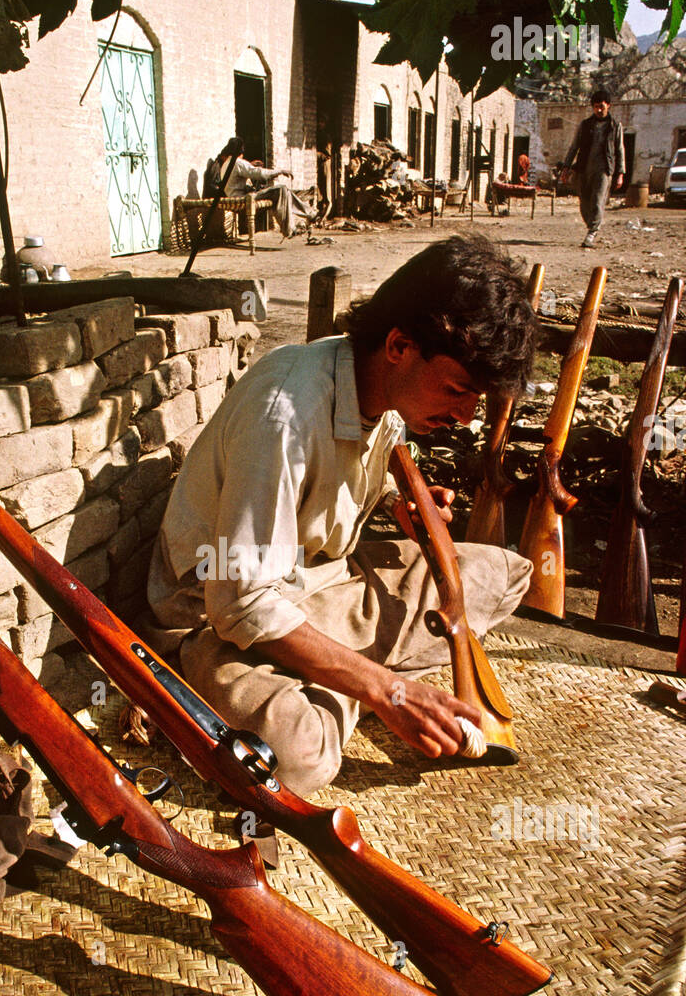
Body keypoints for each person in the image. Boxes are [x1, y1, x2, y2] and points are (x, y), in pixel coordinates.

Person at [145, 235, 538, 796]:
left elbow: (341, 488)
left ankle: (345, 680)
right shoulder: (283, 414)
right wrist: (388, 693)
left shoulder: (386, 395)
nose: (465, 415)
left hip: (326, 583)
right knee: (303, 757)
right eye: (457, 390)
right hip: (221, 616)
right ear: (400, 345)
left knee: (504, 574)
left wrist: (400, 506)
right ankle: (367, 683)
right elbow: (240, 602)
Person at [204, 136, 314, 238]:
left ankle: (310, 214)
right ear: (241, 151)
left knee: (285, 192)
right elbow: (259, 173)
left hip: (236, 196)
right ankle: (292, 227)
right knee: (281, 190)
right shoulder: (237, 162)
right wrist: (279, 171)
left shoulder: (227, 163)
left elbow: (246, 172)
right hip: (241, 198)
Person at [560, 88, 625, 248]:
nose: (599, 109)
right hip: (584, 168)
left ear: (608, 105)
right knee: (584, 202)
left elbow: (620, 150)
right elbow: (574, 147)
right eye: (596, 106)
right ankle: (592, 226)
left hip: (604, 169)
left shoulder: (615, 126)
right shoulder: (585, 125)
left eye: (602, 106)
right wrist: (566, 167)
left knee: (597, 201)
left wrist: (620, 173)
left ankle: (592, 233)